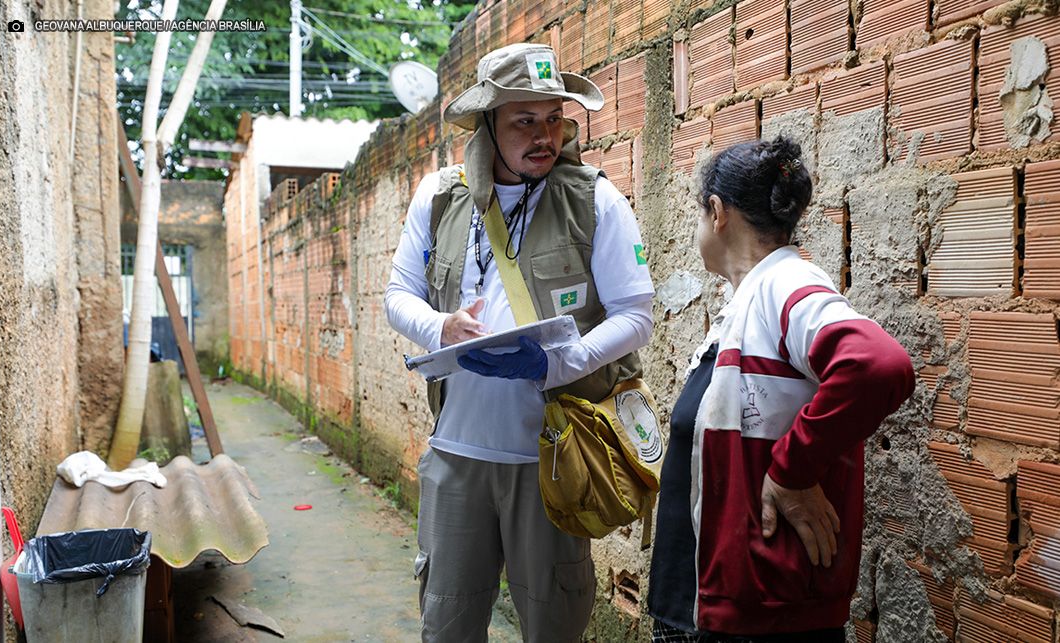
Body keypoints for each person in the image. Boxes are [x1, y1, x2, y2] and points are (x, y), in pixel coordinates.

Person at [384, 42, 655, 642]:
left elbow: (637, 313)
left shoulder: (595, 200)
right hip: (456, 458)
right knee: (447, 626)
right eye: (524, 121)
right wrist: (440, 327)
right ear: (487, 124)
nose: (545, 136)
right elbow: (397, 297)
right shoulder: (437, 198)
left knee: (554, 626)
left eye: (554, 118)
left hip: (554, 462)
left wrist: (564, 361)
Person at [646, 137, 915, 642]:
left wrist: (792, 472)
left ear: (717, 212)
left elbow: (879, 365)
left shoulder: (785, 284)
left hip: (765, 613)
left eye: (698, 215)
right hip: (711, 598)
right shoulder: (743, 305)